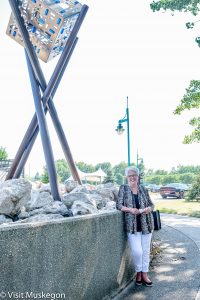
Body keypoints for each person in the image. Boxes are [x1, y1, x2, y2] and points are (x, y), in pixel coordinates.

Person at [116, 166, 154, 287]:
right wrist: (130, 209)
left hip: (146, 224)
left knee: (145, 251)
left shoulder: (143, 189)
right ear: (127, 177)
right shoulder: (123, 189)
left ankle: (144, 274)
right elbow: (118, 205)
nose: (132, 177)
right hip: (132, 226)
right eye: (130, 175)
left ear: (138, 177)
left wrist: (149, 209)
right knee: (137, 252)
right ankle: (138, 271)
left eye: (134, 175)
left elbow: (152, 205)